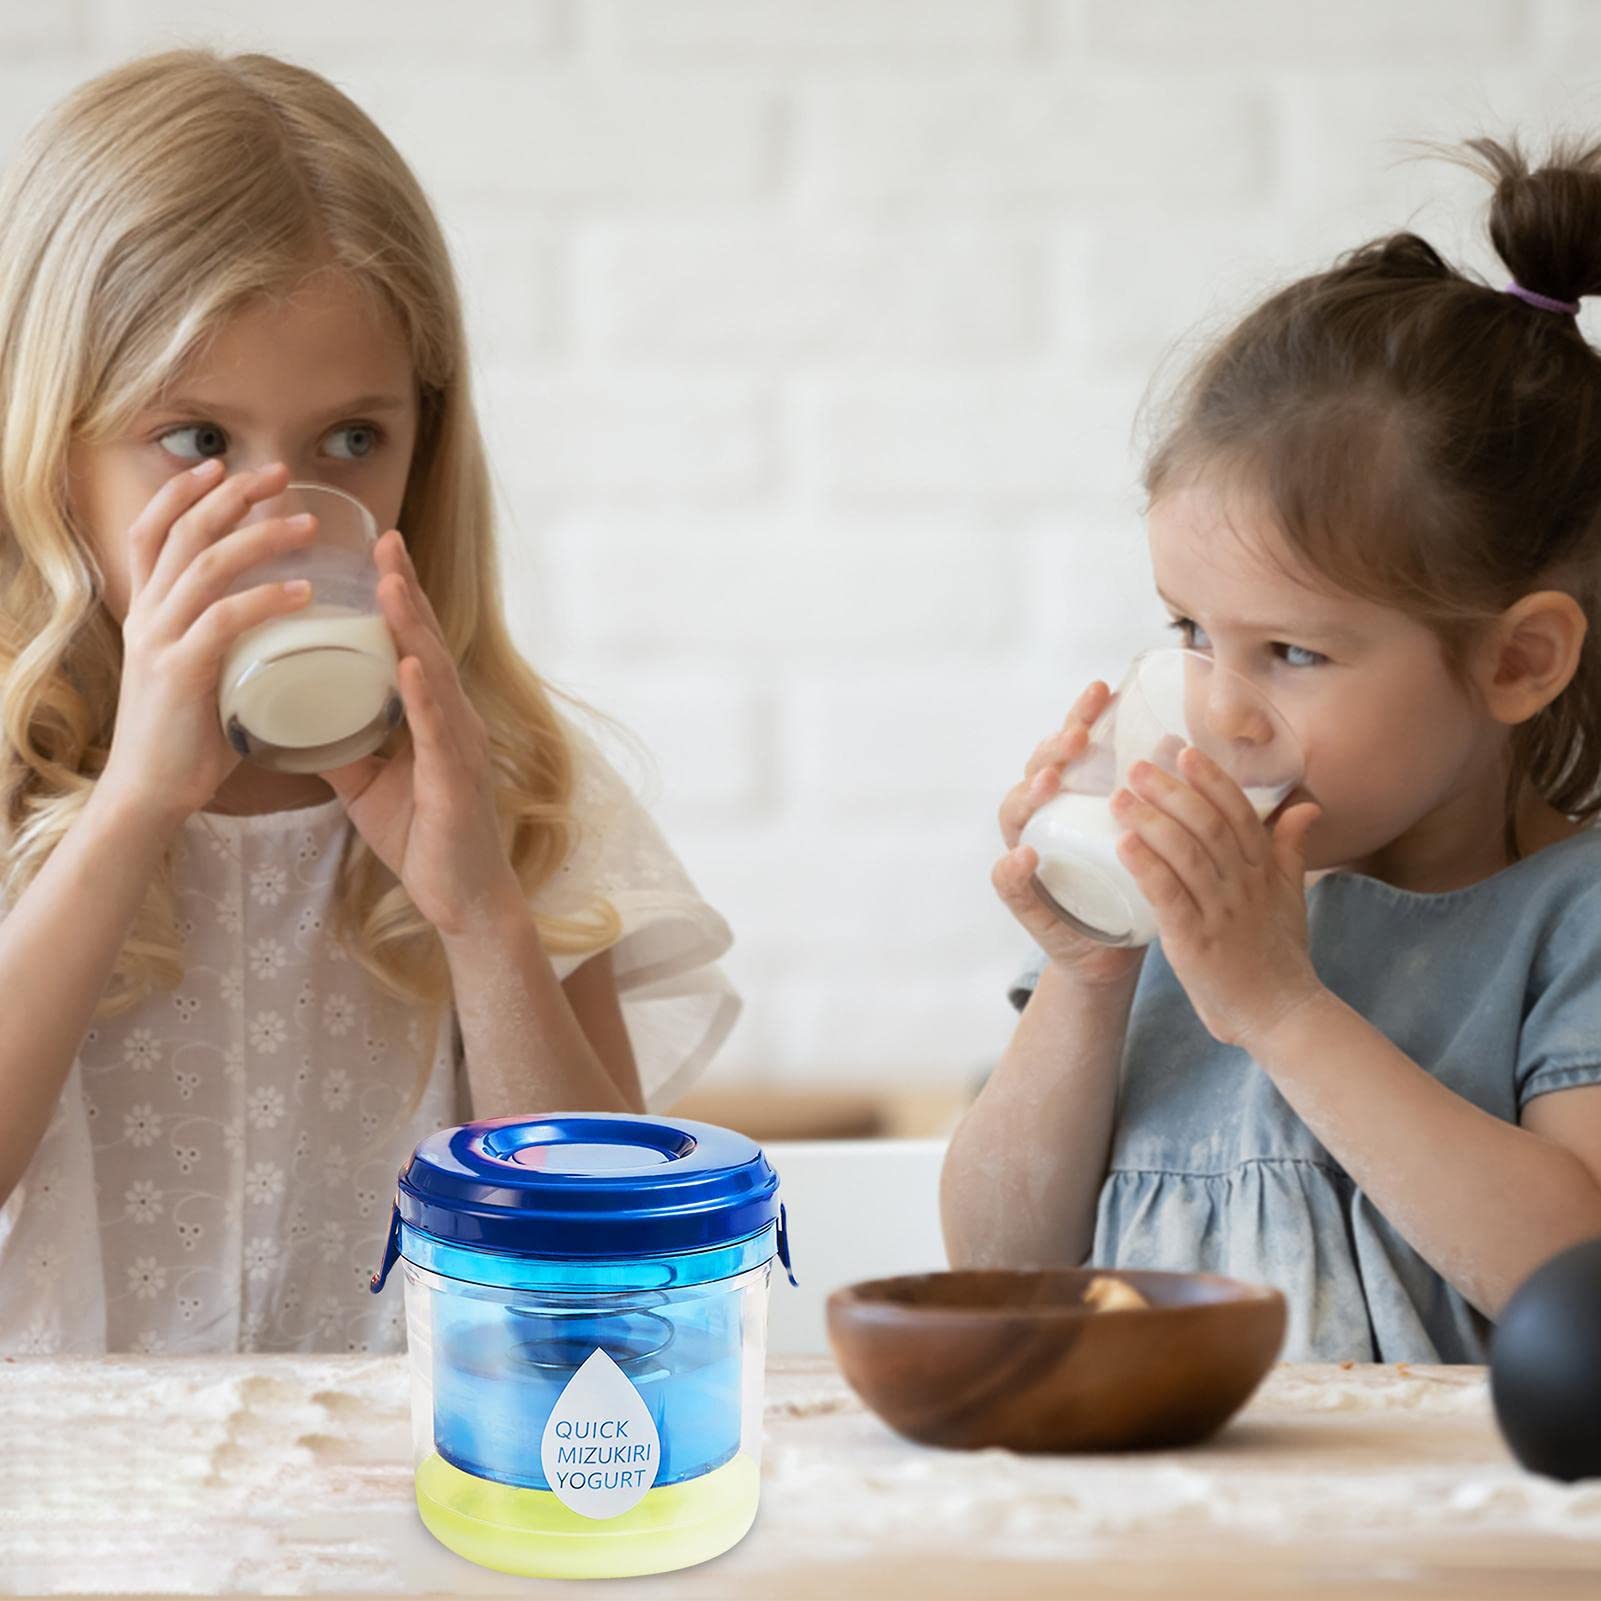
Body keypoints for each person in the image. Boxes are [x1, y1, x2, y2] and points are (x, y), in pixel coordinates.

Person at [0, 49, 739, 1354]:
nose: (283, 516)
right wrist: (130, 811)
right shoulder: (21, 768)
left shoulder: (507, 787)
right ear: (53, 445)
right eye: (198, 440)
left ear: (422, 445)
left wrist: (481, 915)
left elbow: (611, 1279)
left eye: (350, 440)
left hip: (384, 1477)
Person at [941, 133, 1601, 1362]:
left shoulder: (1571, 918)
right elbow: (995, 1269)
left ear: (1515, 661)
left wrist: (1281, 1007)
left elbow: (1574, 1281)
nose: (1218, 712)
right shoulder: (1167, 910)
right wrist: (1088, 974)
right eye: (1191, 633)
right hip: (1164, 1482)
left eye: (1291, 651)